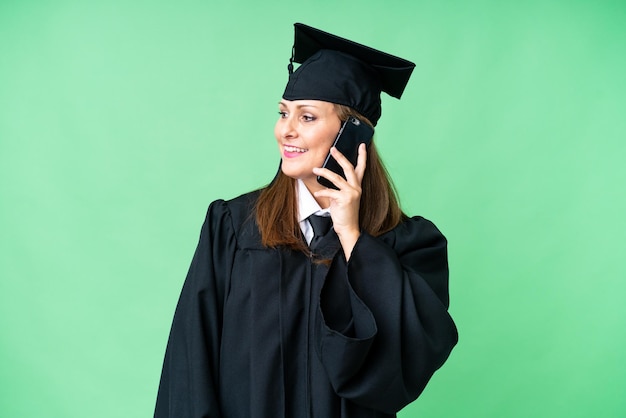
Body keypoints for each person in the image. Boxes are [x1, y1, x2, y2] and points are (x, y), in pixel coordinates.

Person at [154, 23, 458, 418]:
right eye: (284, 113)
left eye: (308, 117)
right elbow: (190, 362)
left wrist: (351, 236)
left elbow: (407, 361)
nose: (286, 131)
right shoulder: (233, 227)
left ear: (354, 134)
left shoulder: (407, 242)